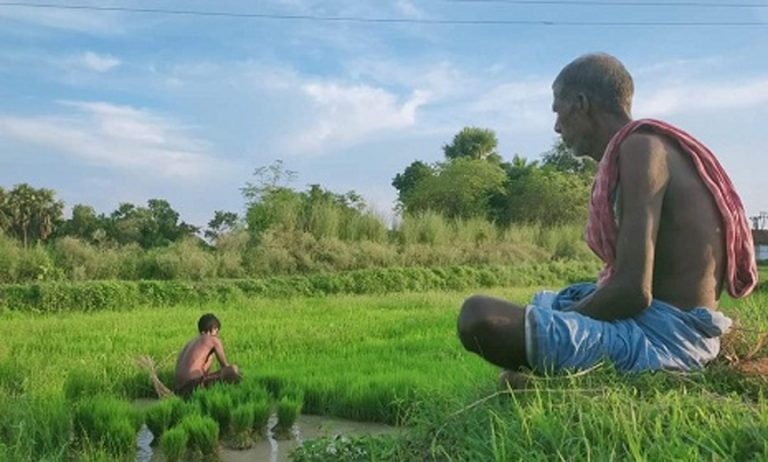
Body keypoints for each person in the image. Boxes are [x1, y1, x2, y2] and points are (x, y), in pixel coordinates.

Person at [457, 53, 757, 377]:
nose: (557, 127)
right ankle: (542, 372)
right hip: (666, 324)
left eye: (558, 111)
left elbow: (632, 293)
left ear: (581, 103)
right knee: (545, 303)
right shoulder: (641, 147)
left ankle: (545, 375)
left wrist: (566, 321)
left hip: (666, 339)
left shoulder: (640, 149)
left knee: (479, 315)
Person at [174, 313, 242, 397]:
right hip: (192, 385)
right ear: (213, 329)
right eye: (217, 331)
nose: (217, 334)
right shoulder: (213, 340)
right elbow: (225, 366)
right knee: (233, 370)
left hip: (178, 388)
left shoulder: (190, 343)